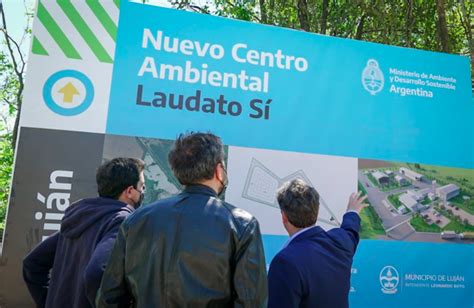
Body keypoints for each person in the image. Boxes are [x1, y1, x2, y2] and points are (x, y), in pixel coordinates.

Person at [97, 132, 268, 307]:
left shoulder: (136, 220)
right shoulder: (242, 225)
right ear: (218, 170)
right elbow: (251, 302)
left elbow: (109, 297)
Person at [23, 157, 146, 308]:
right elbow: (96, 273)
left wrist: (49, 301)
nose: (143, 192)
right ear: (129, 191)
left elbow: (32, 263)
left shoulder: (79, 217)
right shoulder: (121, 221)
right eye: (142, 187)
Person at [267, 179, 367, 308]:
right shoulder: (340, 243)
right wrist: (352, 211)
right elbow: (350, 230)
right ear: (316, 211)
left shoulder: (285, 262)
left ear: (284, 217)